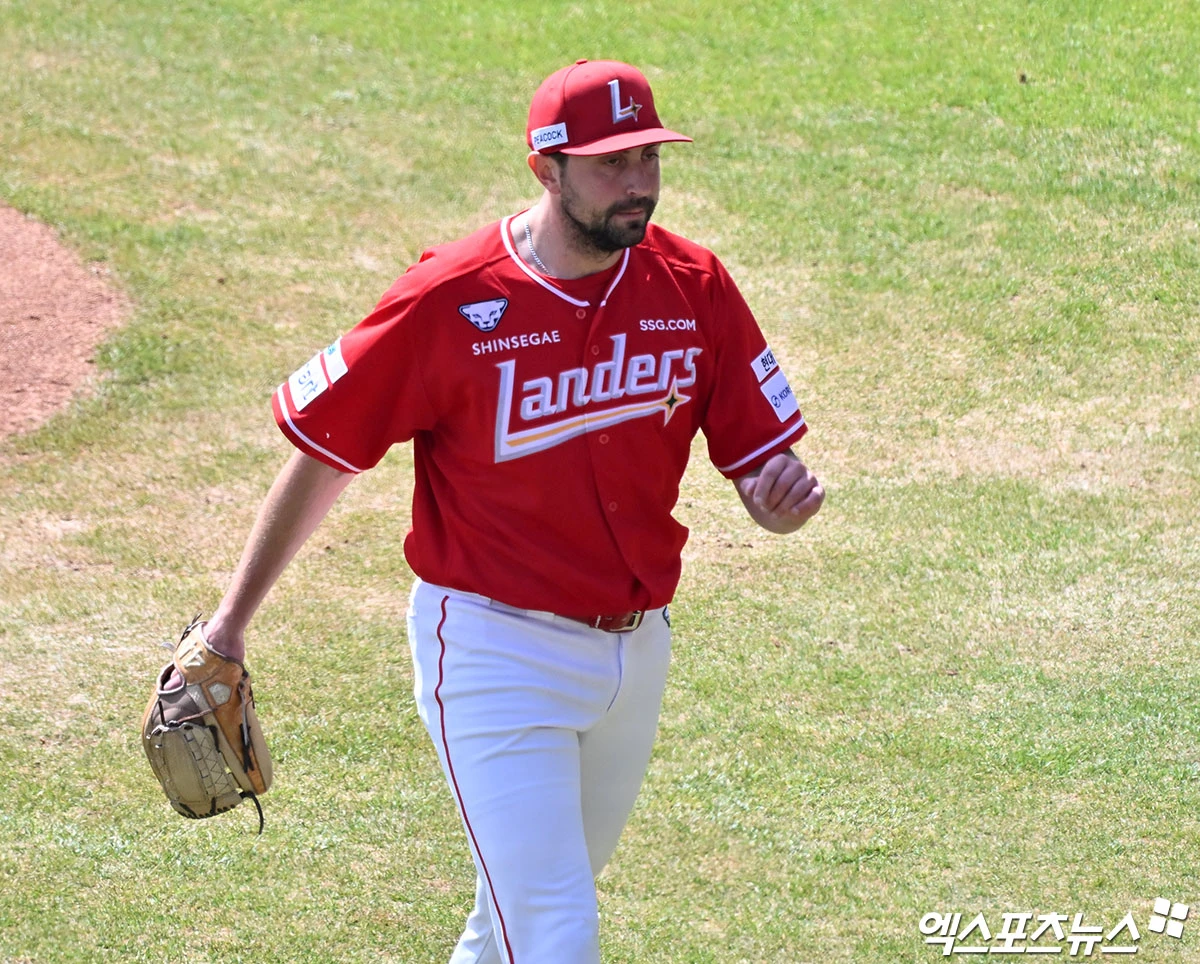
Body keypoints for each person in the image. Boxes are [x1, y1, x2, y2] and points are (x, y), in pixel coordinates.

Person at [200, 59, 823, 963]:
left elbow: (763, 465)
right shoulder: (452, 298)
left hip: (637, 652)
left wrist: (777, 500)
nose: (639, 182)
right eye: (611, 163)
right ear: (546, 167)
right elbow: (327, 450)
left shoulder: (693, 285)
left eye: (648, 156)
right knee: (557, 932)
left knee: (511, 929)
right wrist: (229, 626)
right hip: (496, 654)